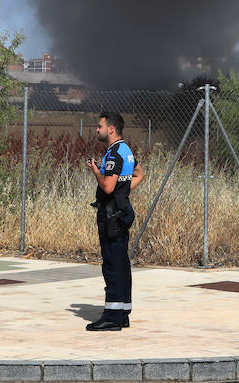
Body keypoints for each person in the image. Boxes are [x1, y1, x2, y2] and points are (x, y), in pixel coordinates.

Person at [84, 110, 141, 330]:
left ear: (111, 129)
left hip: (111, 216)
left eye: (99, 126)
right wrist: (123, 193)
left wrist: (96, 171)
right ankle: (123, 312)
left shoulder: (115, 154)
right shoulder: (126, 151)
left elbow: (107, 186)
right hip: (121, 211)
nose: (97, 130)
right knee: (122, 263)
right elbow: (139, 174)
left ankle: (112, 317)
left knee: (112, 264)